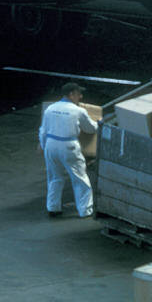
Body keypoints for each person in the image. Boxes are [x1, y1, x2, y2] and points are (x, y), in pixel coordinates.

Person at [39, 81, 97, 218]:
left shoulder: (50, 108)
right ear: (71, 94)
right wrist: (98, 122)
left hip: (51, 145)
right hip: (68, 145)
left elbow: (42, 131)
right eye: (79, 94)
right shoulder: (78, 110)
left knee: (54, 177)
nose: (81, 97)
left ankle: (53, 208)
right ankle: (85, 210)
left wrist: (43, 146)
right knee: (79, 178)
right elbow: (90, 128)